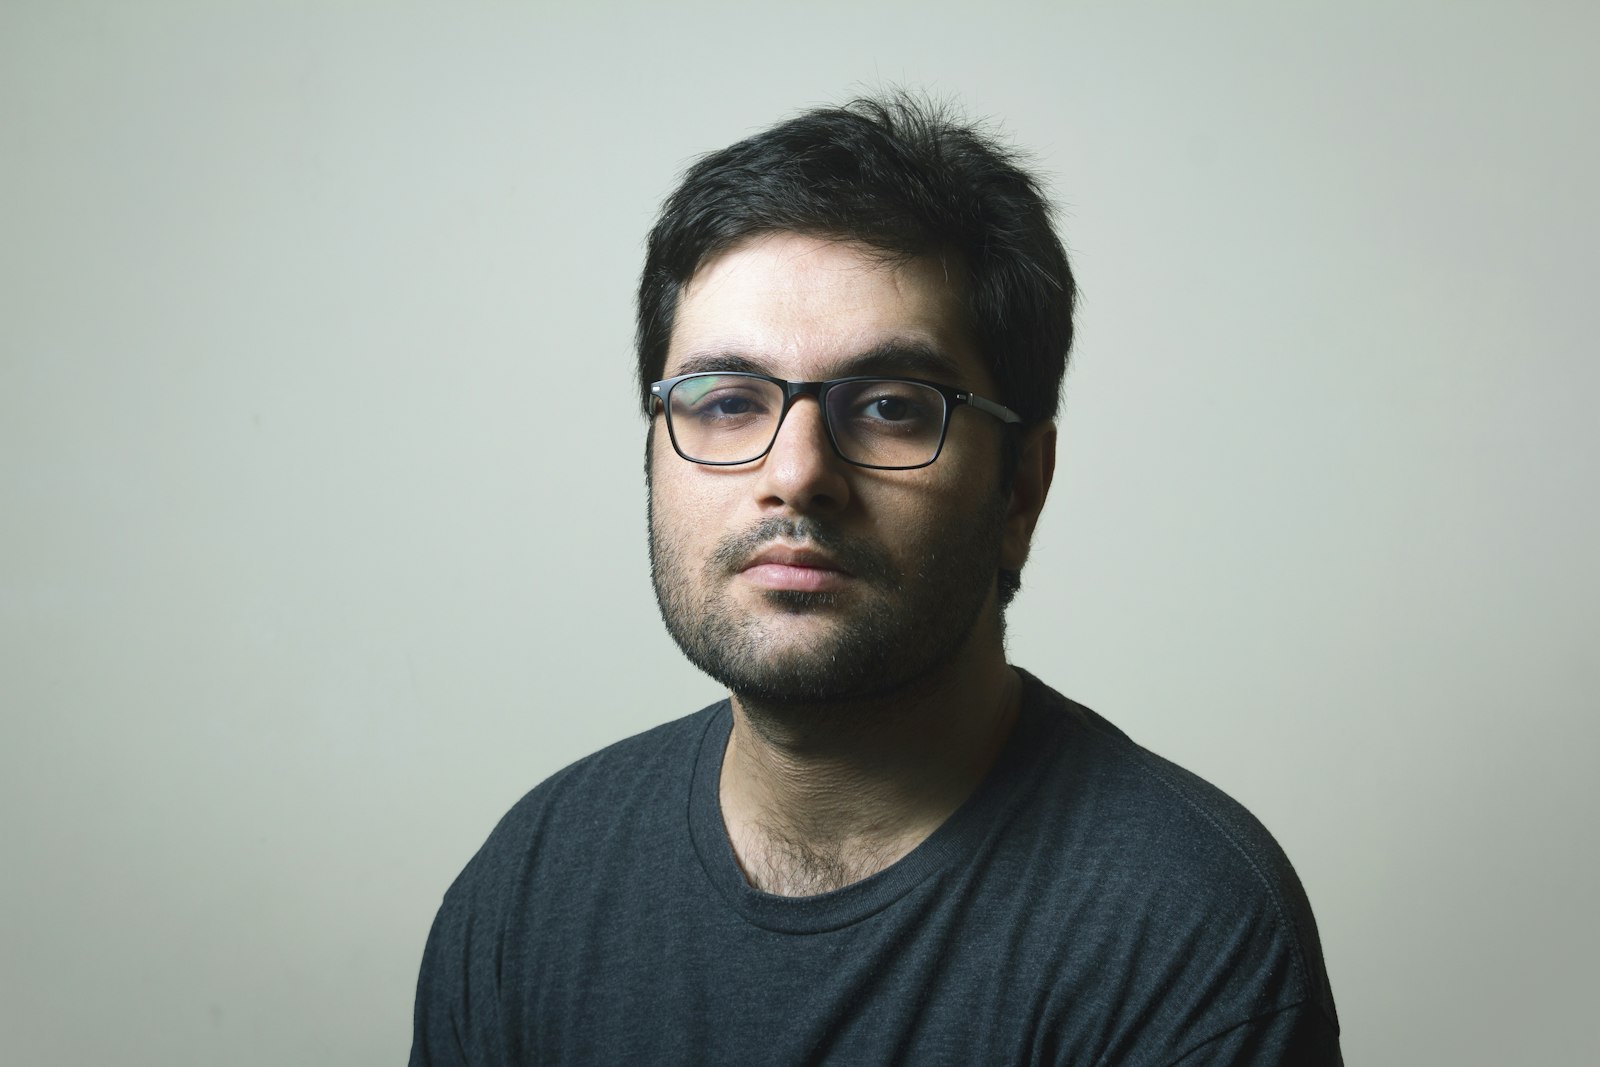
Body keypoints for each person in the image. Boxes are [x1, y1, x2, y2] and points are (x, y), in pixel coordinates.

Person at [410, 94, 1342, 1065]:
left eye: (892, 406)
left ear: (1019, 486)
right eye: (727, 400)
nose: (794, 472)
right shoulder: (532, 885)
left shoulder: (1182, 930)